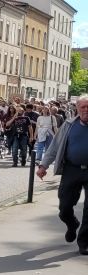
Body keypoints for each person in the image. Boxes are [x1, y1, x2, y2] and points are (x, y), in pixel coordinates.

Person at [38, 96, 88, 255]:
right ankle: (72, 223)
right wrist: (43, 165)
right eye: (83, 107)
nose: (86, 110)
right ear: (77, 109)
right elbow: (54, 147)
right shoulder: (69, 126)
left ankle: (84, 242)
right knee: (64, 206)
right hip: (71, 169)